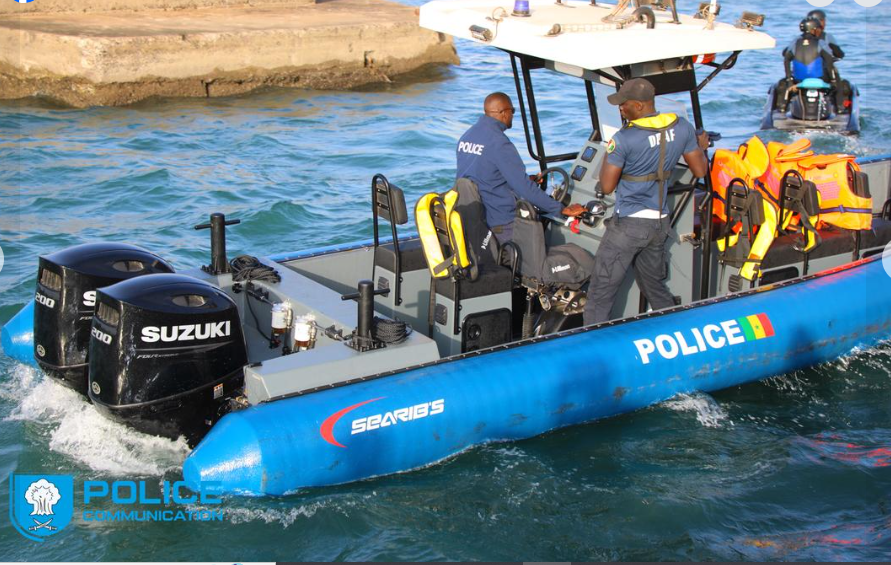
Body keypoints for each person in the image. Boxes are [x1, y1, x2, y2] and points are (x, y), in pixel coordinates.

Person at [583, 78, 708, 325]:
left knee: (599, 294)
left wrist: (612, 153)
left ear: (639, 106)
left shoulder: (624, 138)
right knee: (654, 286)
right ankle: (677, 331)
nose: (620, 109)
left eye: (623, 104)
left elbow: (607, 186)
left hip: (628, 226)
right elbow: (700, 171)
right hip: (659, 224)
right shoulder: (682, 127)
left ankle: (593, 353)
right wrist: (701, 147)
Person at [456, 92, 584, 244]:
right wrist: (560, 209)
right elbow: (524, 188)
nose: (512, 115)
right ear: (503, 113)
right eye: (512, 111)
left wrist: (522, 179)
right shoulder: (499, 143)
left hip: (474, 216)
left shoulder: (467, 136)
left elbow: (483, 174)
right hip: (501, 223)